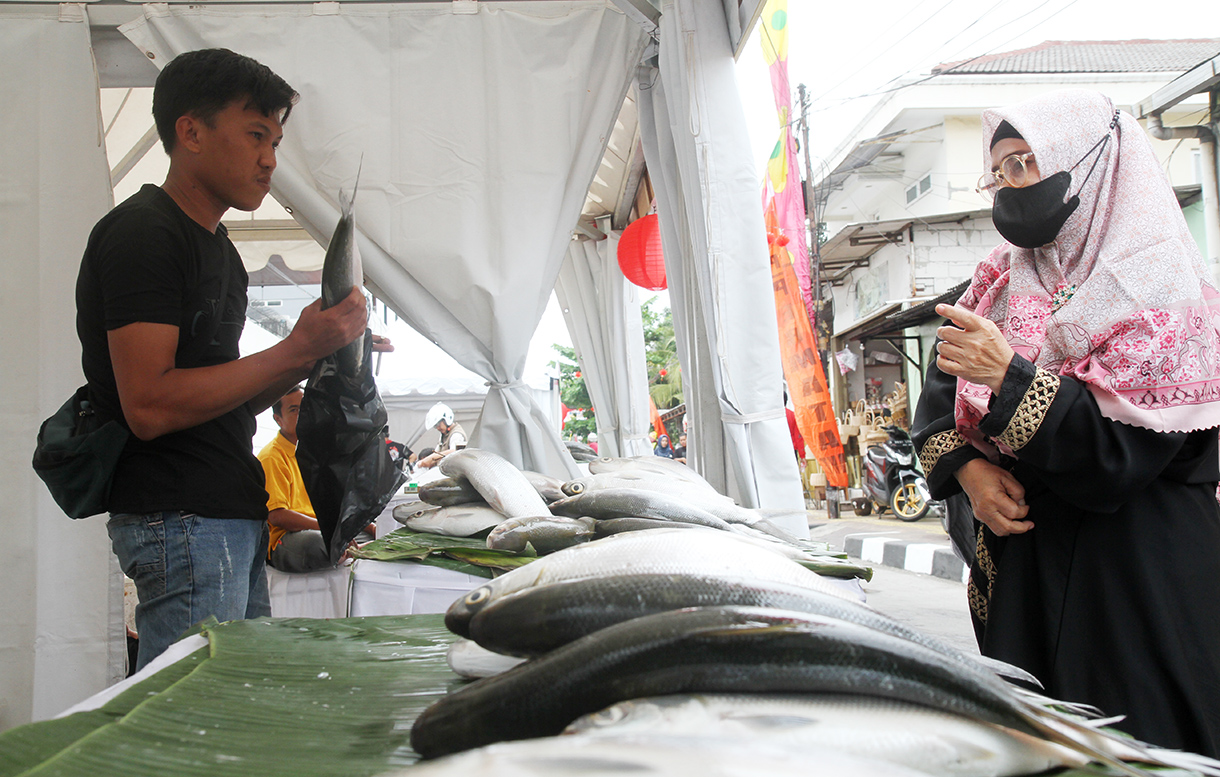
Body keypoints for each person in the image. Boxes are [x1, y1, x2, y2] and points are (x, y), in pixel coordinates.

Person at [911, 89, 1220, 756]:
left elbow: (1119, 460)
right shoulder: (999, 281)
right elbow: (937, 398)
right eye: (1001, 170)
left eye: (1026, 163)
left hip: (1140, 587)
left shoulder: (1158, 286)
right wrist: (969, 472)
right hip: (1032, 584)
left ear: (1090, 164)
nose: (1010, 185)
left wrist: (1008, 377)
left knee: (1143, 751)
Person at [76, 49, 387, 669]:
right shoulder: (145, 233)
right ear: (189, 131)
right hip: (181, 516)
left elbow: (221, 400)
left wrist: (319, 358)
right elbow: (150, 405)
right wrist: (297, 347)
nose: (270, 158)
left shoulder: (220, 250)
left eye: (273, 139)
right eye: (254, 136)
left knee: (237, 704)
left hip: (225, 509)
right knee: (193, 729)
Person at [258, 387, 376, 573]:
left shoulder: (315, 451)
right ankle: (345, 549)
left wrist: (369, 526)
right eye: (294, 410)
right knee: (318, 545)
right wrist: (331, 530)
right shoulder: (272, 456)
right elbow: (277, 516)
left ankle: (348, 548)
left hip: (323, 528)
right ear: (278, 419)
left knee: (377, 535)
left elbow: (335, 503)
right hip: (290, 537)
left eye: (306, 406)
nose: (304, 413)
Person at [416, 403, 467, 468]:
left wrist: (431, 458)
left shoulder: (456, 434)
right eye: (435, 426)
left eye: (438, 424)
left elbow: (454, 451)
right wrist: (426, 461)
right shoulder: (444, 434)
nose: (437, 428)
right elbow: (438, 452)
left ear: (446, 420)